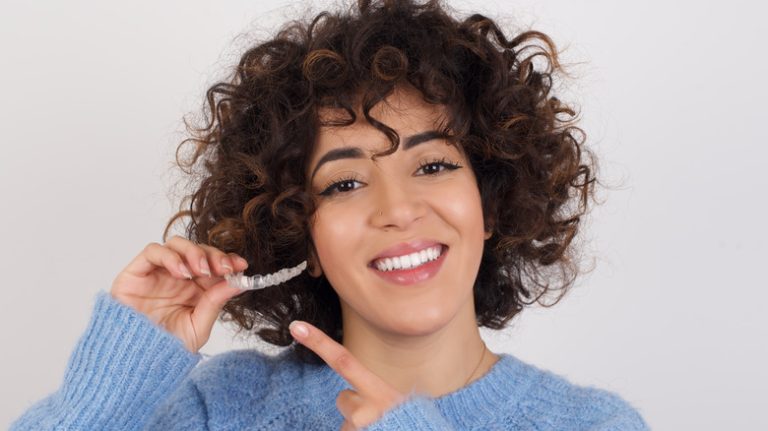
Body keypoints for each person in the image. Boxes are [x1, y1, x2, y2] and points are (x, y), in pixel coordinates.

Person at [11, 0, 650, 429]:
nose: (398, 210)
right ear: (303, 236)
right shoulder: (223, 408)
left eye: (433, 166)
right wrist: (116, 383)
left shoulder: (592, 423)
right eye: (344, 182)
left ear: (491, 202)